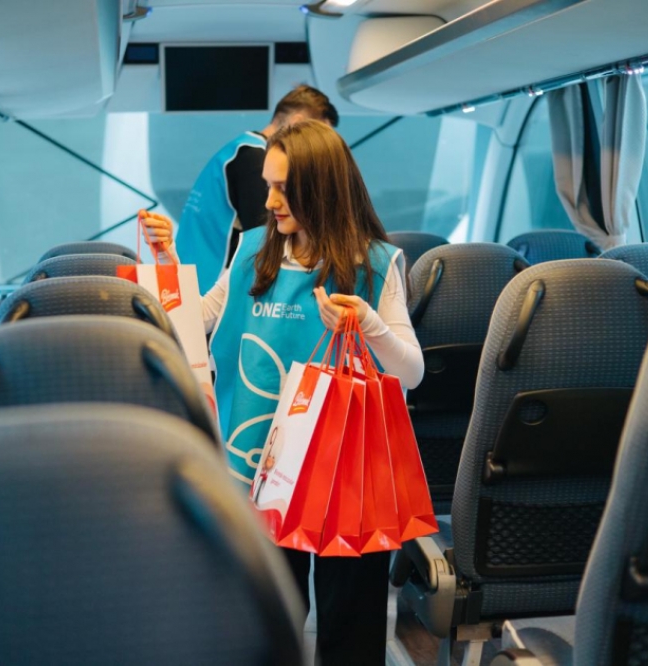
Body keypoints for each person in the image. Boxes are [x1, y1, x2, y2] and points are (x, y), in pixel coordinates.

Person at [140, 119, 423, 666]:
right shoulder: (253, 251)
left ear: (321, 188)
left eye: (282, 189)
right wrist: (169, 263)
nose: (268, 201)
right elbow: (197, 323)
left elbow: (411, 373)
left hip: (344, 474)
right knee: (264, 625)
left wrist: (369, 326)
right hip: (262, 469)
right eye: (267, 186)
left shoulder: (375, 264)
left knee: (351, 630)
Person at [175, 84, 339, 292]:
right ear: (297, 122)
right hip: (211, 283)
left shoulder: (238, 149)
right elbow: (264, 234)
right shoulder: (255, 158)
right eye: (315, 134)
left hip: (193, 273)